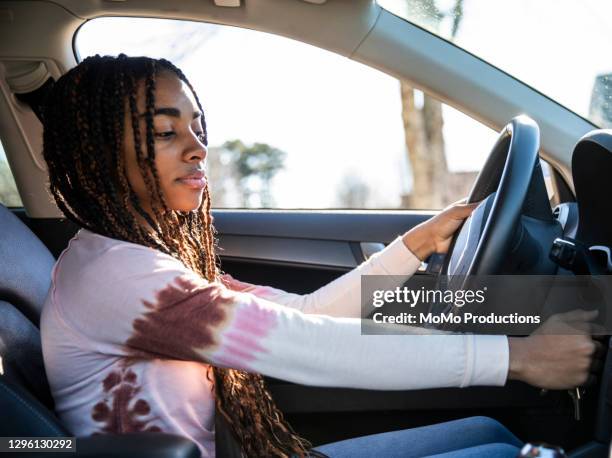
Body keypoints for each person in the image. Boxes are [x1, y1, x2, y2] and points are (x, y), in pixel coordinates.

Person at [39, 54, 599, 458]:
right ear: (99, 153)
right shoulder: (121, 278)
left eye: (198, 126)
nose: (197, 147)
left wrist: (417, 244)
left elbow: (302, 313)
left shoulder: (145, 260)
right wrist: (517, 358)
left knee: (491, 434)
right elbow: (302, 345)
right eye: (164, 132)